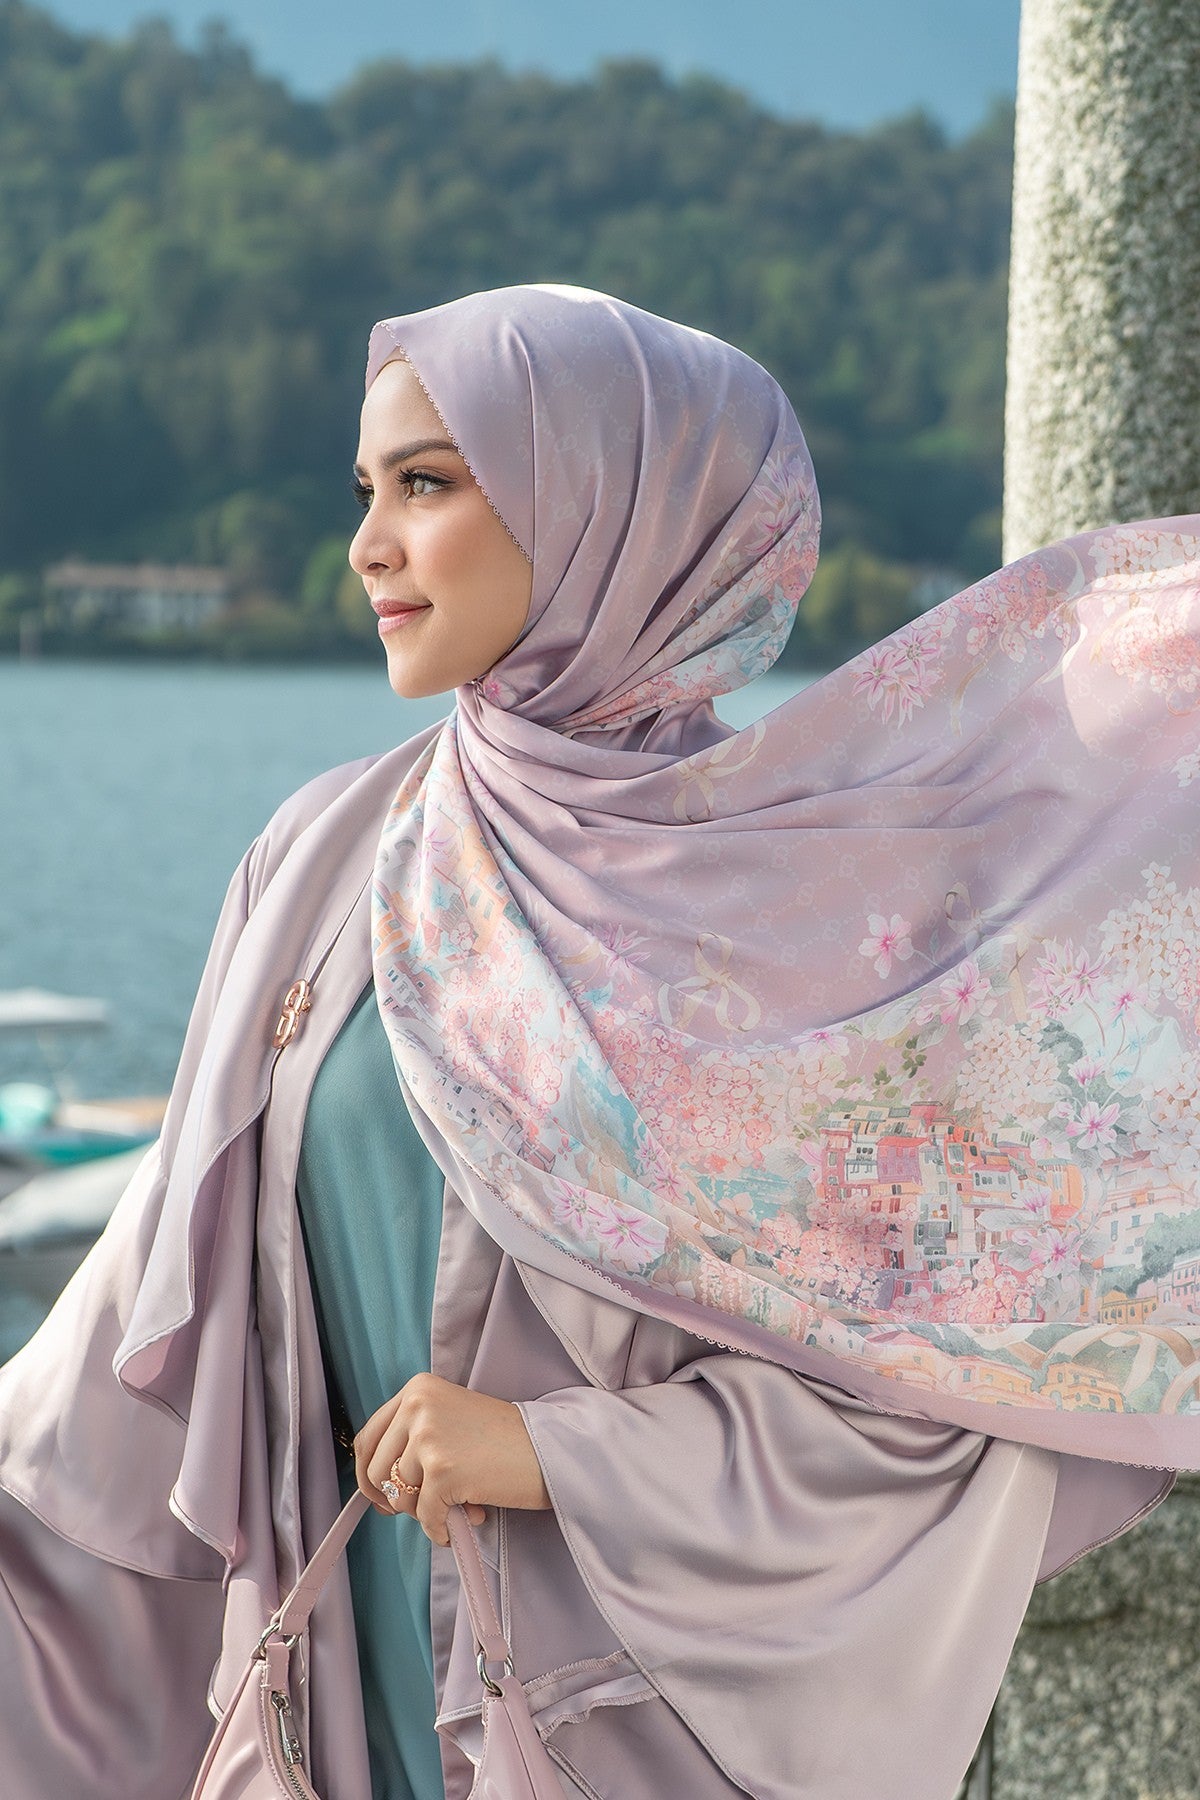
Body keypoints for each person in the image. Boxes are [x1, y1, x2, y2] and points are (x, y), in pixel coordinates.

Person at [0, 282, 1198, 1800]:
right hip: (333, 1716)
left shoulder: (811, 920)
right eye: (365, 490)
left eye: (427, 483)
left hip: (628, 1733)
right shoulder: (327, 857)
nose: (368, 545)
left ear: (614, 517)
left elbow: (937, 1430)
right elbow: (139, 1317)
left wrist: (551, 1453)